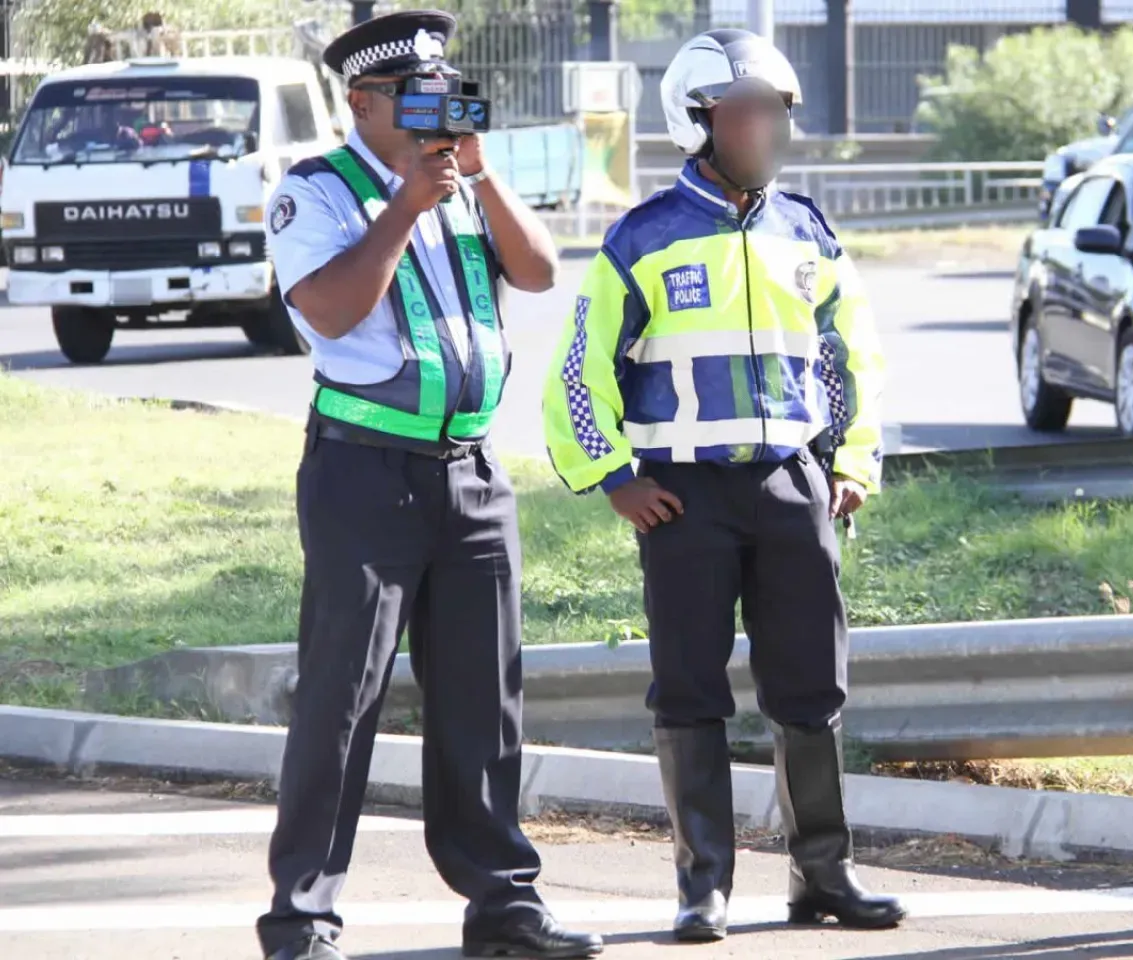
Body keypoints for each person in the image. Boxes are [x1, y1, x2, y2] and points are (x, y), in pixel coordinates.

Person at [543, 28, 905, 944]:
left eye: (776, 112)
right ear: (697, 122)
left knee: (811, 689)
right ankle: (702, 886)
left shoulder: (805, 231)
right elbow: (581, 371)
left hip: (792, 486)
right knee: (690, 692)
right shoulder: (642, 237)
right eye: (747, 114)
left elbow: (851, 357)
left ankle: (823, 874)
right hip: (683, 499)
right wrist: (612, 478)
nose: (767, 129)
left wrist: (851, 462)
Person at [255, 11, 602, 960]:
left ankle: (503, 903)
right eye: (416, 96)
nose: (435, 109)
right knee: (342, 698)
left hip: (471, 474)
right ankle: (301, 918)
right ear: (364, 103)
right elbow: (329, 311)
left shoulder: (458, 182)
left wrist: (479, 178)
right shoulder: (316, 191)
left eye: (444, 91)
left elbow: (538, 271)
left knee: (485, 699)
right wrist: (405, 206)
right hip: (365, 472)